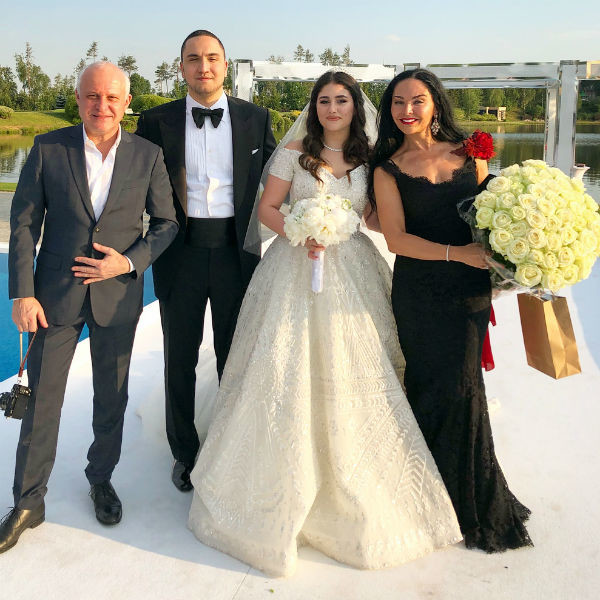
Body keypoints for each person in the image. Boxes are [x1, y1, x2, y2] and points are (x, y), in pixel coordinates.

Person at [187, 71, 462, 577]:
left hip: (353, 267)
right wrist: (298, 228)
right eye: (324, 100)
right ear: (313, 107)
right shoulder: (294, 152)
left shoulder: (371, 158)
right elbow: (266, 208)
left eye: (342, 100)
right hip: (295, 265)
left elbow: (377, 219)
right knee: (283, 362)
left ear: (356, 107)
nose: (333, 108)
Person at [1, 62, 178, 553]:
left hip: (117, 296)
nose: (101, 106)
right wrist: (22, 291)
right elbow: (23, 224)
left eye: (111, 98)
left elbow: (166, 224)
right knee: (41, 402)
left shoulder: (148, 155)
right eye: (91, 96)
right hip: (53, 295)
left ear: (126, 103)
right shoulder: (47, 148)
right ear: (78, 99)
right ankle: (29, 501)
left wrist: (127, 262)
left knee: (111, 396)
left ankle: (100, 479)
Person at [370, 68, 532, 552]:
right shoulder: (388, 167)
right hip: (420, 290)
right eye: (398, 103)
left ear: (435, 104)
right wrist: (455, 253)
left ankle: (472, 501)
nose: (407, 111)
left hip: (469, 291)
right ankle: (428, 499)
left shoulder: (472, 153)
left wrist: (513, 261)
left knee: (465, 386)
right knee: (428, 385)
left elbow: (489, 219)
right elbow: (396, 238)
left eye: (417, 101)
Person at [135, 30, 276, 492]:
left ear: (226, 65)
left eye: (212, 58)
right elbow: (130, 185)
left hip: (239, 253)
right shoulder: (156, 121)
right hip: (180, 252)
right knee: (180, 356)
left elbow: (285, 176)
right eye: (193, 59)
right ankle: (184, 453)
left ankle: (231, 448)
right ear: (181, 68)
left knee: (234, 356)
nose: (204, 67)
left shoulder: (257, 118)